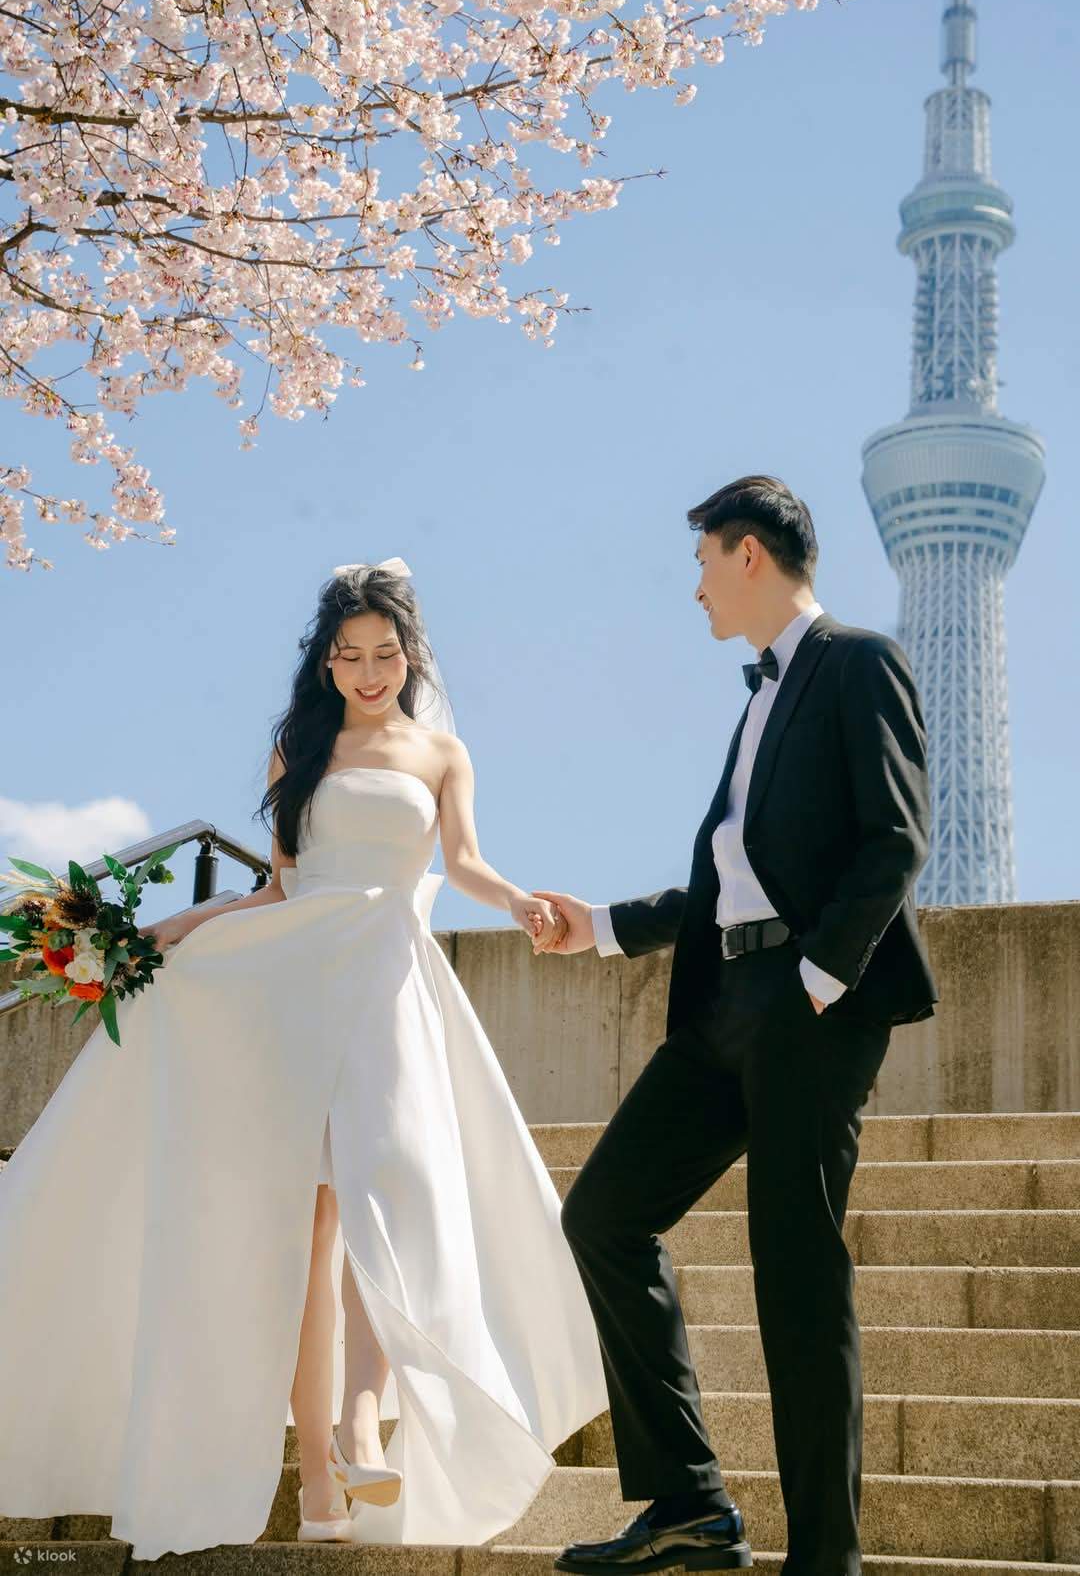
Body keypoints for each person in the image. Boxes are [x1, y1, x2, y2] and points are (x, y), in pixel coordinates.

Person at [0, 557, 608, 1561]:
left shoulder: (443, 753)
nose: (368, 672)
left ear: (411, 655)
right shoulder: (301, 751)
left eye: (383, 654)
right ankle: (321, 1480)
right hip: (291, 983)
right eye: (348, 656)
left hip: (389, 985)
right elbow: (276, 891)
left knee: (389, 1191)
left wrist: (521, 904)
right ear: (325, 663)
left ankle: (363, 1421)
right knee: (311, 1234)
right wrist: (173, 931)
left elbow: (461, 865)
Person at [534, 476, 939, 1576]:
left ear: (749, 554)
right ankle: (690, 1506)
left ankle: (826, 1560)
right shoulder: (756, 699)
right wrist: (601, 928)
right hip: (719, 1011)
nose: (697, 587)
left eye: (704, 562)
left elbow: (896, 839)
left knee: (795, 1273)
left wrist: (818, 981)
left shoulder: (859, 664)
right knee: (605, 1217)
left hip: (811, 1009)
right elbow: (724, 886)